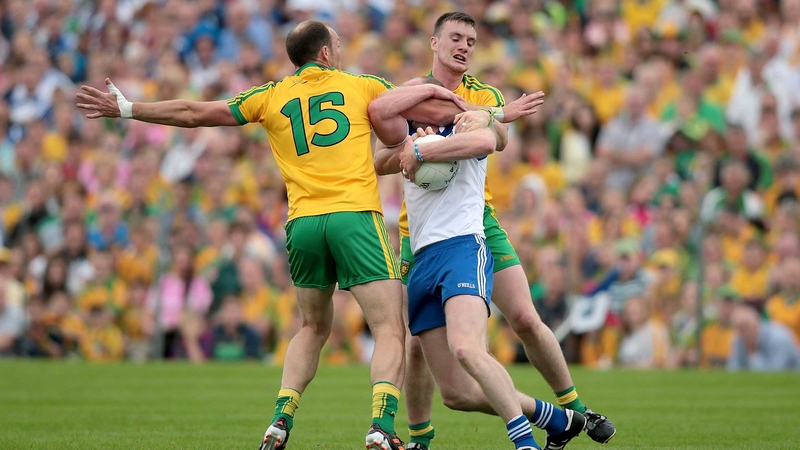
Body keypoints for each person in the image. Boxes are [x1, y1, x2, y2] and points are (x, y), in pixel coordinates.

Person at [77, 19, 469, 450]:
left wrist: (129, 108)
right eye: (336, 44)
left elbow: (194, 113)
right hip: (355, 218)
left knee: (312, 326)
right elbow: (425, 112)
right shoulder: (362, 85)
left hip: (302, 224)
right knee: (390, 327)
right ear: (324, 53)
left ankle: (281, 419)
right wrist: (490, 117)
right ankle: (382, 425)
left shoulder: (270, 95)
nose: (339, 50)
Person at [374, 12, 615, 449]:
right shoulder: (409, 95)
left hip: (475, 224)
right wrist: (415, 148)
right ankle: (421, 437)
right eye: (456, 37)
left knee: (523, 317)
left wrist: (472, 125)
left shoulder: (482, 94)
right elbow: (382, 158)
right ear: (434, 42)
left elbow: (498, 139)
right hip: (419, 233)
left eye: (471, 39)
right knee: (416, 347)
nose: (464, 45)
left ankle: (576, 409)